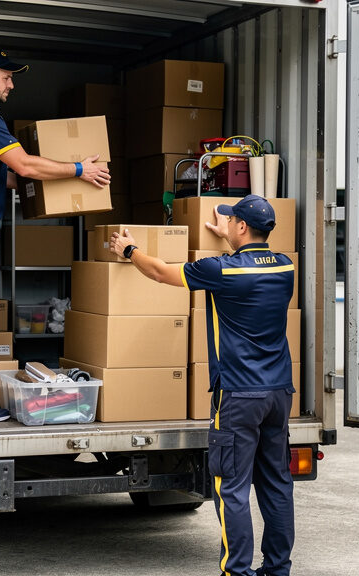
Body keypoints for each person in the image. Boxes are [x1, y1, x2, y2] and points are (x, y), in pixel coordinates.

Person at [109, 194, 296, 576]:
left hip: (240, 394)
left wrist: (129, 249)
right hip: (278, 391)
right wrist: (230, 240)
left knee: (232, 488)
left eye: (231, 221)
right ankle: (277, 569)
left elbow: (161, 272)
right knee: (276, 485)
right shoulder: (284, 266)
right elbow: (249, 264)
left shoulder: (221, 270)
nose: (225, 224)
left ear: (242, 227)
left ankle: (236, 571)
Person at [0, 48, 110, 423]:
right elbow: (24, 165)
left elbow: (6, 176)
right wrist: (78, 169)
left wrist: (45, 187)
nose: (11, 83)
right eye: (6, 76)